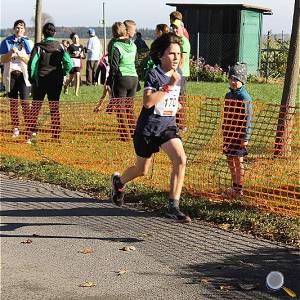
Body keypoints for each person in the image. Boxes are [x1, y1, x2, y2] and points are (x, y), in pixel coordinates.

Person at [111, 32, 191, 224]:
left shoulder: (179, 76)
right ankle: (119, 182)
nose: (175, 58)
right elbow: (147, 102)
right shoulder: (154, 75)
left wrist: (176, 105)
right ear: (160, 55)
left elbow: (171, 100)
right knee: (142, 170)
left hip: (167, 127)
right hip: (147, 129)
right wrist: (167, 87)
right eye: (171, 53)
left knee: (180, 159)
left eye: (178, 54)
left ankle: (173, 206)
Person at [27, 22, 72, 143]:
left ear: (43, 33)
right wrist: (63, 73)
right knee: (54, 107)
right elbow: (69, 63)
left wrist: (32, 78)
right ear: (55, 33)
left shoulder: (38, 46)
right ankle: (56, 135)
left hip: (40, 80)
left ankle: (29, 135)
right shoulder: (60, 46)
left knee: (35, 107)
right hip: (55, 80)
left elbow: (32, 64)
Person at [222, 63, 253, 199]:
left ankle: (239, 188)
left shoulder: (244, 98)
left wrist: (245, 137)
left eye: (236, 79)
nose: (233, 82)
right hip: (229, 134)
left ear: (242, 81)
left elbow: (248, 118)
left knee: (238, 160)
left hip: (239, 135)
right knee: (230, 159)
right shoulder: (228, 95)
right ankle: (234, 186)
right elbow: (226, 115)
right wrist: (225, 130)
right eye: (231, 79)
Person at [0, 19, 33, 138]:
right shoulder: (6, 42)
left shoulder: (28, 42)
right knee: (13, 103)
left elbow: (30, 61)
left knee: (25, 102)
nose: (19, 30)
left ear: (24, 30)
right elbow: (2, 60)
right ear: (14, 29)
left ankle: (28, 128)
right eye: (17, 28)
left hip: (24, 76)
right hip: (11, 75)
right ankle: (15, 128)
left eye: (21, 28)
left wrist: (20, 54)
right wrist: (10, 53)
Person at [106, 21, 138, 140]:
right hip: (134, 77)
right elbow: (135, 61)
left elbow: (114, 66)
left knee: (120, 109)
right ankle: (135, 133)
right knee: (129, 108)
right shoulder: (133, 45)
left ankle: (124, 136)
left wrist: (109, 81)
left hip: (122, 78)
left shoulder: (116, 46)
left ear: (114, 33)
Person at [171, 19, 191, 132]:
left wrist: (175, 70)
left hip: (181, 73)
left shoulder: (183, 41)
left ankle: (182, 124)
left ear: (182, 29)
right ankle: (176, 122)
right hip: (177, 73)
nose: (174, 30)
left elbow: (182, 60)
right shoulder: (177, 41)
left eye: (176, 28)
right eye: (173, 28)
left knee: (180, 98)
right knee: (174, 97)